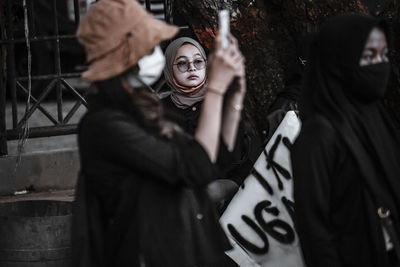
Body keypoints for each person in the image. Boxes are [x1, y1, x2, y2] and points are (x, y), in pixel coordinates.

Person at [71, 0, 246, 266]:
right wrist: (215, 90)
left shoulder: (145, 107)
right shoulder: (107, 124)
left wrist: (234, 97)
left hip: (183, 243)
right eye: (149, 45)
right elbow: (194, 168)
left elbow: (217, 158)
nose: (155, 53)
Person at [291, 13, 400, 267]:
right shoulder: (318, 135)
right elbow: (316, 233)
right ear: (342, 60)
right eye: (369, 56)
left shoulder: (374, 116)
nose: (381, 65)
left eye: (384, 55)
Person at [162, 37, 260, 193]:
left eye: (198, 62)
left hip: (231, 189)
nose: (191, 68)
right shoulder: (161, 109)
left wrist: (224, 187)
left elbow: (234, 156)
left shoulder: (224, 99)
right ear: (169, 68)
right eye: (181, 63)